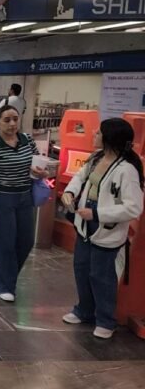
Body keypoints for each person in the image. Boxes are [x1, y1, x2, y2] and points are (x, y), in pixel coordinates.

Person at [61, 118, 144, 339]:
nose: (94, 134)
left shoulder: (127, 170)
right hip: (84, 223)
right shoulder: (96, 158)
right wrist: (70, 192)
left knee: (101, 275)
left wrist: (98, 214)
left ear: (109, 138)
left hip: (105, 226)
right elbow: (80, 178)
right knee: (81, 269)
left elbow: (134, 207)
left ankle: (106, 320)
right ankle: (84, 310)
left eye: (99, 132)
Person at [0, 104, 47, 303]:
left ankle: (7, 275)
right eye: (7, 120)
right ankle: (4, 286)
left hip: (25, 197)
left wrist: (39, 172)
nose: (12, 124)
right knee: (5, 243)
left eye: (15, 119)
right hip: (2, 199)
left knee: (26, 241)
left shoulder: (27, 140)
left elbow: (35, 164)